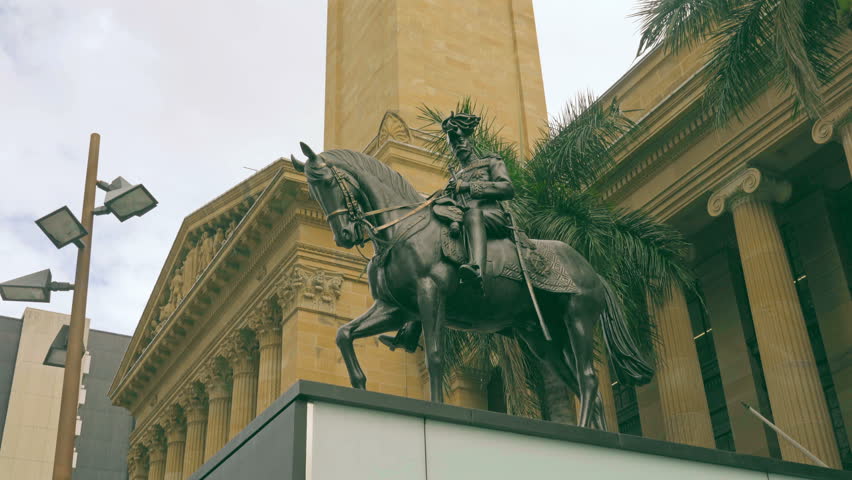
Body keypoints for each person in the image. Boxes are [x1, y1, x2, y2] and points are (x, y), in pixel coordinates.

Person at [379, 112, 515, 353]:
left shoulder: (491, 162)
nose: (458, 145)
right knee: (427, 263)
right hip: (463, 223)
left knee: (473, 215)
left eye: (461, 139)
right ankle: (410, 333)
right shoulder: (456, 177)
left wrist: (469, 187)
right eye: (453, 143)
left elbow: (506, 188)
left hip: (491, 216)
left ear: (470, 140)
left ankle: (476, 268)